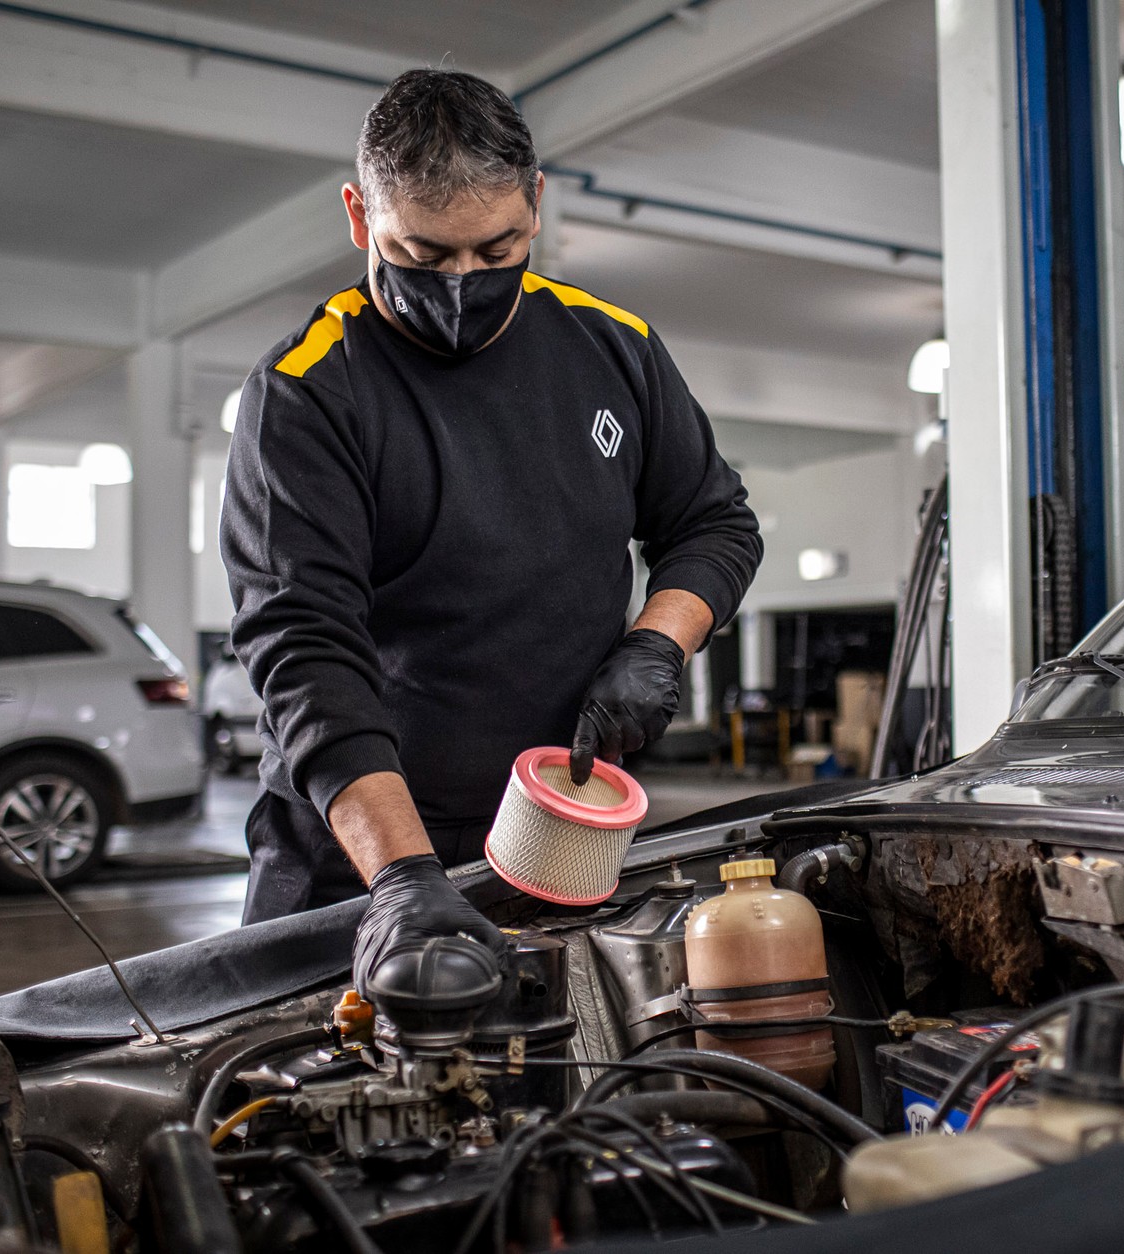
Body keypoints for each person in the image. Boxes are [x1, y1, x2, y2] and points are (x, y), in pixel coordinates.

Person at [220, 69, 761, 993]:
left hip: (566, 830)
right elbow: (303, 651)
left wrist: (657, 644)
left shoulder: (613, 348)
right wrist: (401, 880)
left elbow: (712, 522)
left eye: (496, 246)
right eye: (424, 256)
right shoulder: (308, 392)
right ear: (360, 216)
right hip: (357, 854)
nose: (464, 283)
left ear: (537, 204)